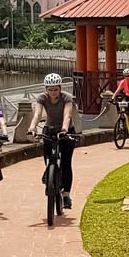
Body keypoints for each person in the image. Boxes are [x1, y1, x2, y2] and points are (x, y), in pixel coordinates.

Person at [30, 73, 77, 208]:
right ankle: (49, 171)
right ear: (46, 89)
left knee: (66, 162)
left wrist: (64, 129)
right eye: (50, 89)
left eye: (55, 89)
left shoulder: (67, 98)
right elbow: (38, 114)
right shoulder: (42, 98)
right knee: (47, 155)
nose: (53, 92)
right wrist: (32, 127)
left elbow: (67, 115)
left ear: (60, 88)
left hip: (66, 130)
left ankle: (66, 195)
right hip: (49, 129)